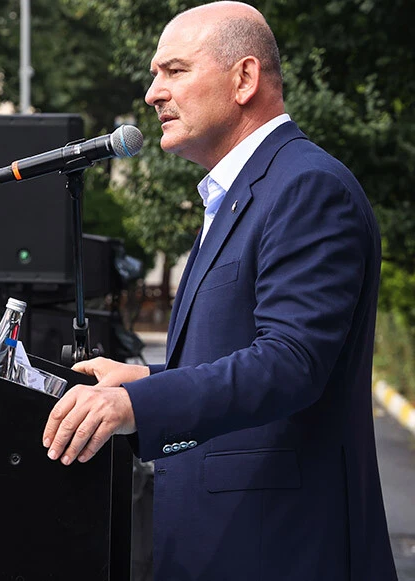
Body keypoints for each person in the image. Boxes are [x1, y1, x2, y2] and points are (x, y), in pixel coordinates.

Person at [40, 3, 397, 580]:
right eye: (154, 75)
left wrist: (136, 405)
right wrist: (147, 379)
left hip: (281, 551)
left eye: (175, 70)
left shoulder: (306, 186)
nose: (153, 93)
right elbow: (236, 353)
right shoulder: (240, 193)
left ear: (244, 78)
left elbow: (291, 363)